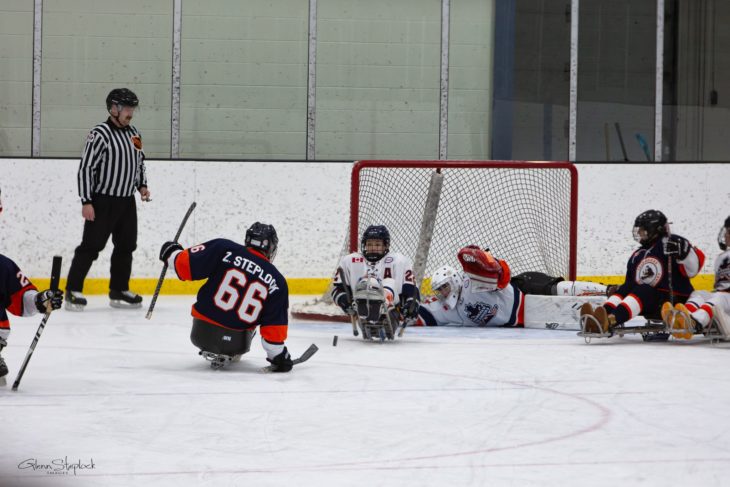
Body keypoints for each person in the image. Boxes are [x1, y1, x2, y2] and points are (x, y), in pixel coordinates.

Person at [159, 222, 293, 372]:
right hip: (237, 343)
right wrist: (279, 357)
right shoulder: (277, 281)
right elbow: (273, 328)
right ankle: (231, 351)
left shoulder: (223, 248)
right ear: (271, 248)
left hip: (201, 333)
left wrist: (171, 253)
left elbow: (184, 266)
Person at [65, 88, 151, 311]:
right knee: (90, 247)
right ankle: (73, 290)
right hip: (102, 201)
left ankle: (119, 289)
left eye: (133, 107)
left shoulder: (134, 134)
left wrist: (142, 186)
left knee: (126, 246)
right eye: (126, 107)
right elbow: (86, 168)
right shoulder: (100, 133)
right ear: (113, 108)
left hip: (126, 201)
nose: (130, 112)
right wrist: (86, 201)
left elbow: (139, 163)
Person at [580, 209, 705, 334]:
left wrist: (685, 253)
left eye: (642, 229)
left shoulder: (672, 242)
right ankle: (599, 317)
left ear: (654, 230)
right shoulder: (637, 255)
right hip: (649, 301)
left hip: (673, 300)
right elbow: (630, 285)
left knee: (644, 290)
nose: (639, 232)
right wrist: (619, 292)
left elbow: (693, 270)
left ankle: (611, 320)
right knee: (625, 288)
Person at [417, 245, 606, 327]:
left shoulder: (471, 279)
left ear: (455, 280)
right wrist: (400, 313)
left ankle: (607, 291)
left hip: (524, 289)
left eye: (444, 287)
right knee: (566, 313)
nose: (443, 293)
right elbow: (423, 315)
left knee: (557, 289)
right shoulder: (447, 309)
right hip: (523, 319)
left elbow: (502, 277)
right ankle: (602, 314)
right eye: (440, 290)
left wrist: (491, 263)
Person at [331, 225, 420, 332]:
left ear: (385, 246)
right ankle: (366, 305)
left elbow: (411, 289)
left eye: (377, 244)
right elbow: (337, 289)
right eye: (369, 244)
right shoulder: (350, 260)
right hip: (360, 313)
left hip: (391, 313)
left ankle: (379, 305)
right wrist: (343, 300)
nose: (373, 247)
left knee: (388, 283)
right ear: (364, 245)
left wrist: (411, 305)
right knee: (365, 282)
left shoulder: (399, 261)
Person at [662, 215, 730, 338]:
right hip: (724, 298)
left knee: (718, 299)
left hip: (725, 298)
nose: (725, 236)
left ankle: (694, 323)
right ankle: (682, 318)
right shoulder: (722, 257)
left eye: (728, 232)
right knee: (699, 294)